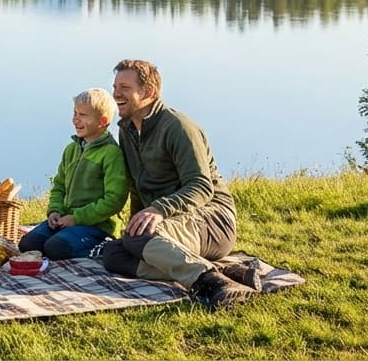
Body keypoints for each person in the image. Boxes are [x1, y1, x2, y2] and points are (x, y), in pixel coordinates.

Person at [98, 59, 262, 309]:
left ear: (149, 93)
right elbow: (136, 188)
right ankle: (226, 272)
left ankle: (210, 282)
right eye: (115, 86)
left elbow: (201, 186)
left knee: (137, 239)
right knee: (113, 255)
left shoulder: (178, 127)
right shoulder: (127, 130)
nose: (116, 94)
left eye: (124, 87)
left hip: (212, 221)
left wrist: (158, 210)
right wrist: (136, 220)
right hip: (170, 224)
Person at [17, 88, 128, 260]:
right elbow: (59, 185)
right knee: (27, 244)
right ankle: (65, 239)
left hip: (97, 226)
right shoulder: (71, 149)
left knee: (56, 248)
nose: (75, 119)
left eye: (83, 115)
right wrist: (54, 210)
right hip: (65, 220)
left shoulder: (111, 154)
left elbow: (114, 200)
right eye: (75, 113)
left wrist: (77, 218)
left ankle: (104, 248)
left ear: (102, 121)